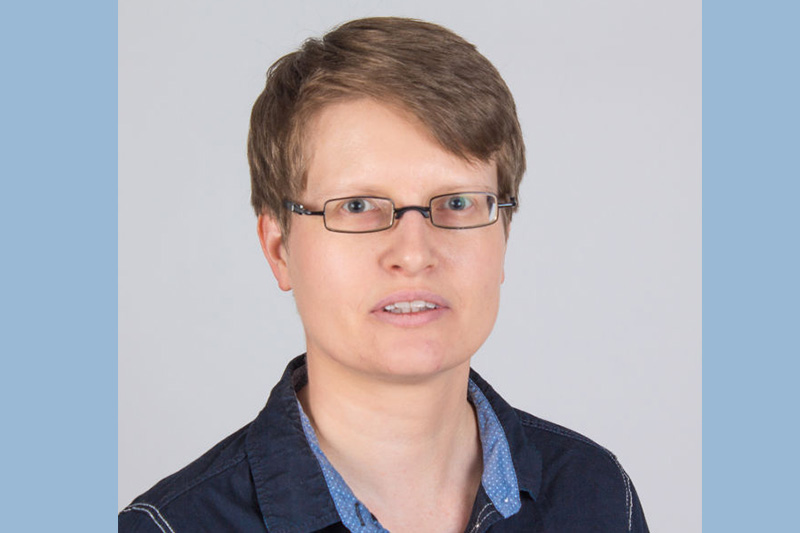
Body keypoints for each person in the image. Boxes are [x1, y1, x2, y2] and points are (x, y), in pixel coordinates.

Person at [119, 17, 649, 532]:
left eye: (457, 202)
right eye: (357, 206)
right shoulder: (169, 527)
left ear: (503, 236)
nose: (414, 254)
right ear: (279, 249)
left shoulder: (597, 496)